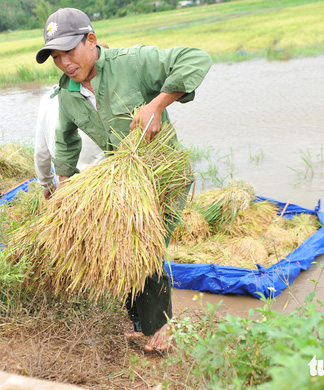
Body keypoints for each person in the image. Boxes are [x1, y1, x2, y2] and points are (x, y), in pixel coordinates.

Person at [35, 8, 212, 353]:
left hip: (163, 178)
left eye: (69, 52)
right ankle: (141, 325)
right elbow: (65, 139)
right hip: (126, 184)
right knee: (122, 248)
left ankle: (160, 329)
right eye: (56, 57)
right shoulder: (68, 93)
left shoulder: (132, 63)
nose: (65, 63)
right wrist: (64, 185)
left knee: (145, 249)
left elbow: (196, 58)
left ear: (91, 40)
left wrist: (157, 105)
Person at [34, 85, 106, 200]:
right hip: (102, 184)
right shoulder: (93, 94)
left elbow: (41, 153)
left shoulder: (47, 100)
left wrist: (46, 184)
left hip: (67, 188)